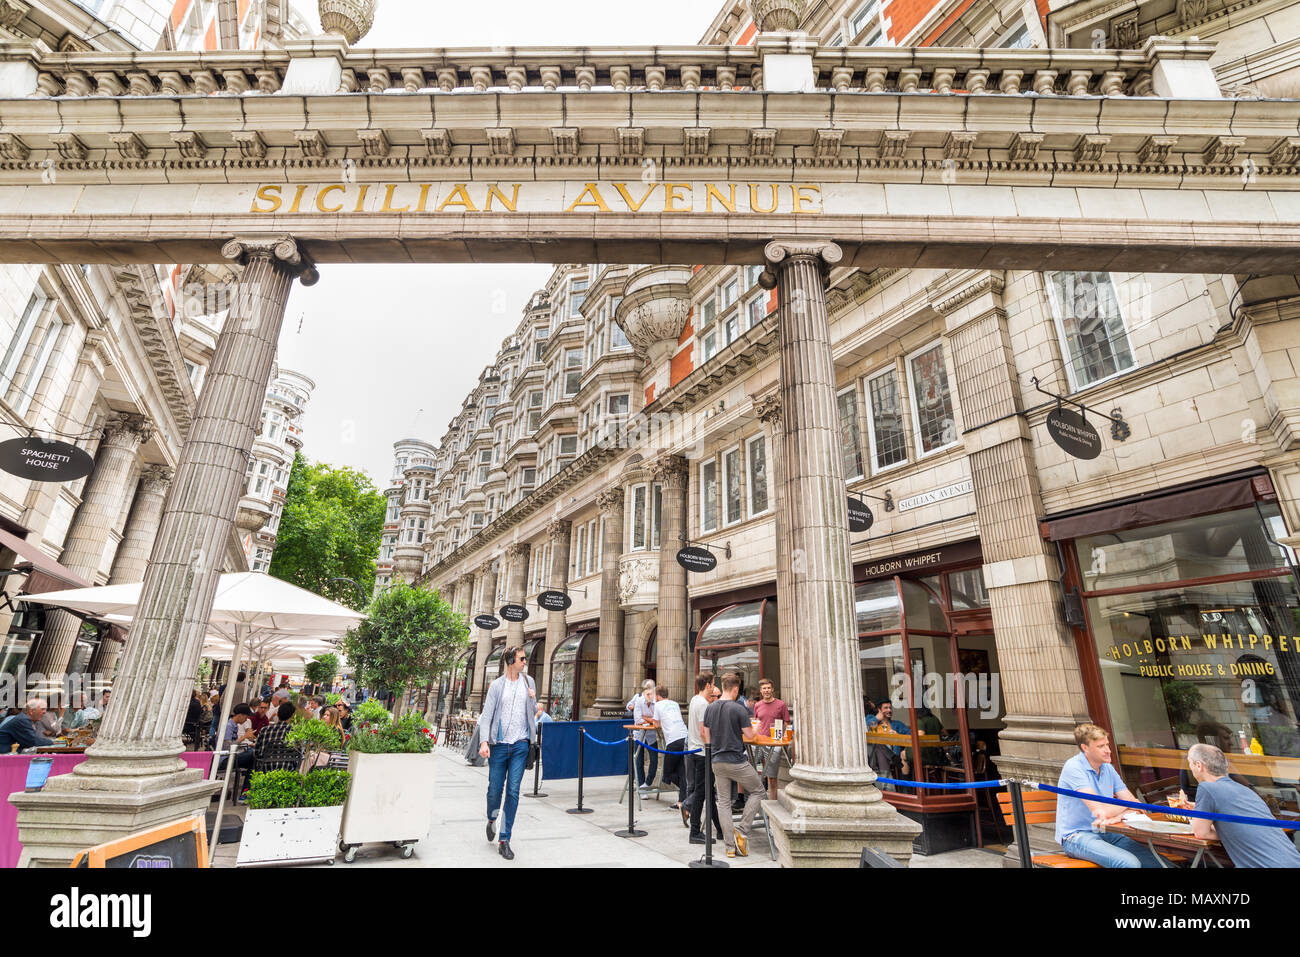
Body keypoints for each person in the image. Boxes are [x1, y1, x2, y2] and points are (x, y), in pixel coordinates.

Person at [1054, 723, 1160, 868]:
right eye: (1100, 746)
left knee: (1158, 863)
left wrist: (1118, 813)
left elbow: (1137, 805)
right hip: (1077, 837)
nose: (1108, 750)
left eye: (1107, 745)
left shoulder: (1107, 768)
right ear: (1085, 748)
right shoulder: (1073, 767)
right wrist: (1125, 807)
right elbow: (1101, 812)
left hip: (1108, 832)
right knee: (1129, 864)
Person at [1183, 743, 1300, 867]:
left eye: (1190, 763)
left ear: (1198, 765)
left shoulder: (1207, 788)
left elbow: (1201, 833)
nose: (1190, 768)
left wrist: (1228, 831)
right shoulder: (1245, 790)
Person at [476, 646, 537, 861]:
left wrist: (532, 700)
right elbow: (487, 715)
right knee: (494, 791)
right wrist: (484, 741)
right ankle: (492, 819)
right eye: (521, 658)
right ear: (511, 661)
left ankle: (505, 838)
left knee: (512, 791)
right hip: (499, 745)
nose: (525, 661)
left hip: (520, 744)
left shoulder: (529, 682)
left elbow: (533, 712)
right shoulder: (496, 686)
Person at [702, 673, 764, 858]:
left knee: (723, 803)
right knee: (759, 791)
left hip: (716, 760)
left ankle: (729, 846)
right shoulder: (739, 709)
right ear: (736, 689)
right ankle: (742, 831)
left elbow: (706, 737)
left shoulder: (710, 708)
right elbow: (750, 735)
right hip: (736, 760)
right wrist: (757, 727)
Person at [686, 675, 723, 844]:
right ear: (707, 685)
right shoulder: (702, 704)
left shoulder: (694, 699)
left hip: (695, 750)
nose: (713, 687)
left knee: (708, 791)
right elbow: (703, 731)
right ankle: (694, 831)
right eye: (713, 684)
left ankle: (720, 830)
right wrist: (712, 747)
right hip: (702, 752)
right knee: (702, 793)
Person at [646, 685, 689, 809]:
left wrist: (646, 719)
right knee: (681, 770)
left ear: (658, 696)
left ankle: (687, 789)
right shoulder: (675, 704)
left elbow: (656, 724)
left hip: (673, 740)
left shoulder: (658, 705)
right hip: (685, 737)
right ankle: (682, 800)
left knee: (667, 774)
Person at [752, 677, 791, 801]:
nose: (767, 690)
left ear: (772, 689)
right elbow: (756, 722)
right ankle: (758, 802)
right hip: (759, 743)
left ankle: (772, 806)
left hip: (774, 743)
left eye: (769, 688)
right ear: (761, 691)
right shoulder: (757, 705)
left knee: (772, 778)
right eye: (764, 688)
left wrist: (783, 738)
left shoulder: (781, 704)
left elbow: (786, 723)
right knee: (751, 770)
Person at [627, 679, 659, 792]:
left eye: (650, 688)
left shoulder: (657, 702)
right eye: (646, 689)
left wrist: (646, 719)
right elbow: (638, 719)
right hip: (639, 735)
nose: (648, 691)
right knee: (638, 761)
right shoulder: (639, 700)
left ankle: (647, 784)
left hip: (651, 736)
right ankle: (641, 787)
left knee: (654, 760)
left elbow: (658, 720)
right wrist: (650, 720)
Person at [254, 701, 302, 771]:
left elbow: (256, 753)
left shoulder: (264, 730)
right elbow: (298, 753)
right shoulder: (295, 732)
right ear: (292, 716)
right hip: (287, 770)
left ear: (277, 714)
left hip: (265, 769)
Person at [217, 703, 258, 778]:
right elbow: (227, 747)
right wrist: (244, 737)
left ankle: (246, 787)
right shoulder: (228, 726)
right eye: (246, 717)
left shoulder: (234, 726)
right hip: (224, 759)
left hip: (230, 756)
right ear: (240, 715)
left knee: (254, 761)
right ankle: (246, 787)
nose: (246, 719)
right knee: (253, 754)